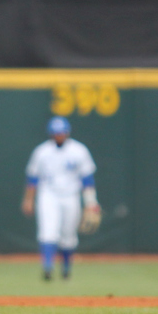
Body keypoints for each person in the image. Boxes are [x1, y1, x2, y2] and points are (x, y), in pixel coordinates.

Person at [21, 117, 100, 280]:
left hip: (71, 195)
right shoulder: (42, 151)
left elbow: (87, 179)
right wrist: (28, 200)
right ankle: (48, 267)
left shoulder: (79, 150)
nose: (59, 136)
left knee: (68, 235)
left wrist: (91, 202)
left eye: (61, 133)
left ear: (67, 132)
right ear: (51, 134)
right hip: (48, 195)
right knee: (47, 232)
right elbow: (33, 178)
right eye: (56, 133)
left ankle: (66, 268)